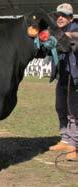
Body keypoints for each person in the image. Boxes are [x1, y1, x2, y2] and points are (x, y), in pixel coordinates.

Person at [49, 3, 78, 161]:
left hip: (75, 78)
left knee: (74, 111)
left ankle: (73, 145)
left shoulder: (75, 29)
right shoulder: (56, 31)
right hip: (62, 77)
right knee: (60, 107)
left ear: (71, 18)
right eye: (58, 15)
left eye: (64, 15)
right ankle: (65, 138)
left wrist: (68, 36)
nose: (60, 17)